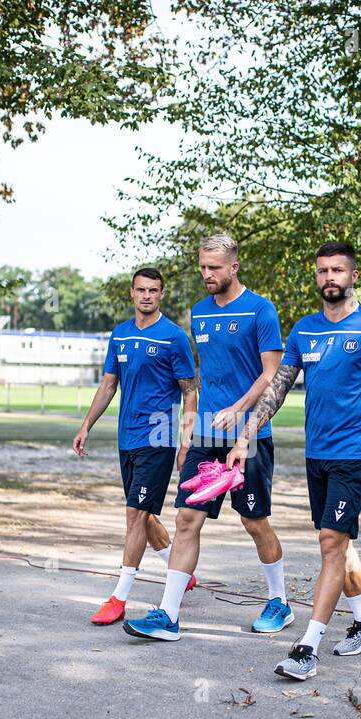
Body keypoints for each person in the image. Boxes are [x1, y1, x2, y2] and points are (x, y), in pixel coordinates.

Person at [227, 242, 361, 679]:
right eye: (322, 271)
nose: (329, 277)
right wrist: (245, 437)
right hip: (317, 454)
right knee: (340, 544)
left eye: (338, 270)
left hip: (354, 454)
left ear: (353, 276)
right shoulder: (304, 331)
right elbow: (277, 388)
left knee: (330, 544)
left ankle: (307, 647)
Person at [123, 233, 294, 642]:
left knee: (254, 521)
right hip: (206, 436)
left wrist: (239, 410)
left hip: (250, 434)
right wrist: (188, 435)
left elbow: (271, 376)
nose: (207, 274)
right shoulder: (199, 313)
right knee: (186, 519)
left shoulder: (261, 311)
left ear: (233, 266)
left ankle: (280, 601)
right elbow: (202, 378)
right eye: (202, 267)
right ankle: (169, 615)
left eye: (214, 267)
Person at [74, 267, 197, 625]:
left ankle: (119, 597)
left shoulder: (174, 337)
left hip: (157, 437)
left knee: (135, 515)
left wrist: (186, 439)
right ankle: (182, 570)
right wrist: (86, 425)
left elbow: (190, 390)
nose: (147, 295)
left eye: (153, 290)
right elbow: (109, 384)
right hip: (126, 438)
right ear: (132, 293)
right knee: (143, 514)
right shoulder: (121, 335)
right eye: (141, 290)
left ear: (161, 295)